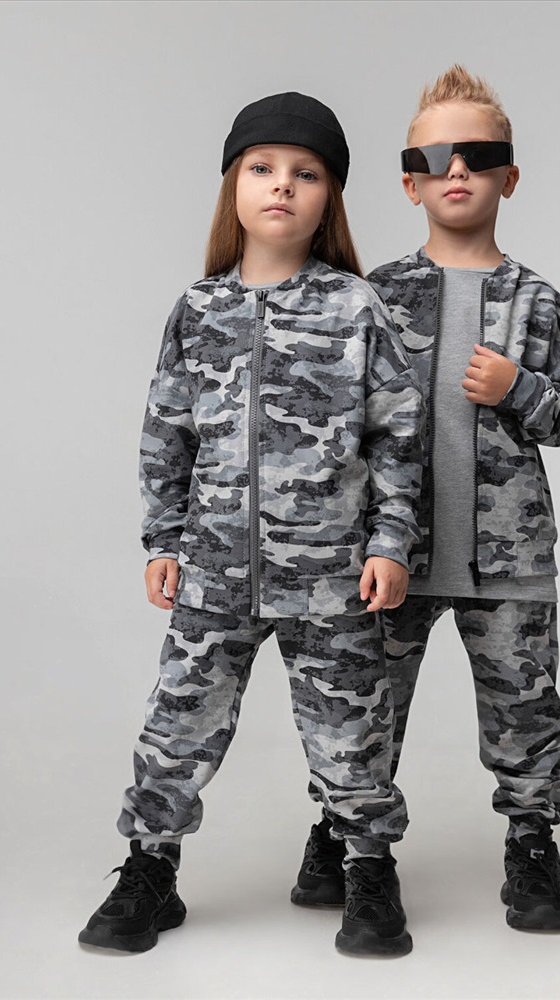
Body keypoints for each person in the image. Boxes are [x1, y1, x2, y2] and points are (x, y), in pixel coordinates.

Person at [78, 92, 424, 958]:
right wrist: (163, 541)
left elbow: (398, 438)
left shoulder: (356, 308)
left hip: (332, 576)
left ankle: (367, 866)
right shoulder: (198, 310)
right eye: (263, 169)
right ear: (233, 185)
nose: (282, 187)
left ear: (329, 197)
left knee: (352, 732)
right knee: (177, 723)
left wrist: (389, 544)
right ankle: (149, 869)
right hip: (214, 572)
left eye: (306, 174)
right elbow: (168, 434)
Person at [291, 66, 560, 932]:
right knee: (362, 706)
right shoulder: (375, 296)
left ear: (510, 175)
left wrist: (519, 389)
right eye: (434, 157)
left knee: (524, 709)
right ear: (410, 183)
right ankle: (342, 830)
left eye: (477, 154)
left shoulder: (535, 300)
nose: (456, 169)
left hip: (508, 559)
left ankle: (532, 844)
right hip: (389, 556)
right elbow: (336, 417)